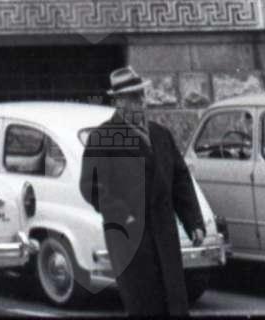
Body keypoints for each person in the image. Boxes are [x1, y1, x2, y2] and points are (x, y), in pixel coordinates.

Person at [79, 65, 206, 317]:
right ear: (119, 101)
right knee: (144, 305)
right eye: (133, 96)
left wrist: (194, 222)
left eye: (141, 94)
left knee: (174, 305)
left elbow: (180, 180)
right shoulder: (103, 138)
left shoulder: (161, 135)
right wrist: (121, 214)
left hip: (165, 235)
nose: (141, 101)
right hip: (129, 239)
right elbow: (90, 186)